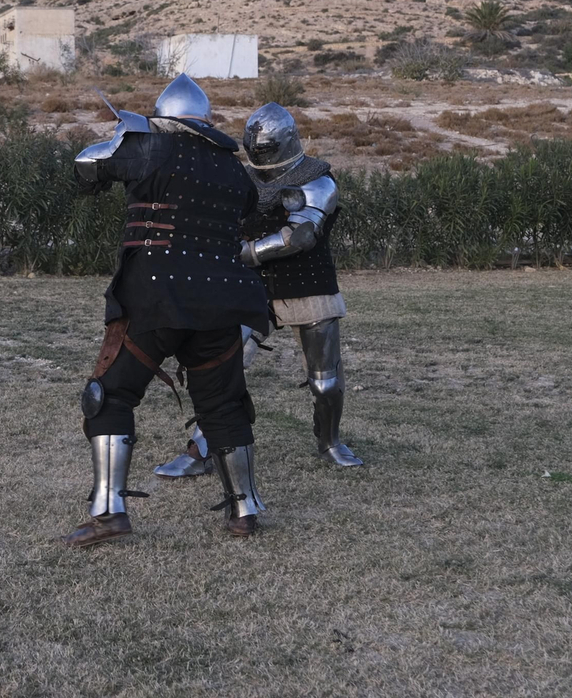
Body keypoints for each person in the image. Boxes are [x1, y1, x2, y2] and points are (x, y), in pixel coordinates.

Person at [62, 75, 272, 548]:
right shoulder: (235, 170)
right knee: (222, 404)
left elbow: (86, 167)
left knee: (108, 396)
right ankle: (244, 508)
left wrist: (123, 134)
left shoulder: (152, 147)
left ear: (165, 119)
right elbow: (250, 209)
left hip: (155, 295)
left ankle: (109, 512)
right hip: (222, 299)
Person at [154, 102, 362, 475]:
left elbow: (299, 236)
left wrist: (244, 252)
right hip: (249, 289)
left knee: (325, 383)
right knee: (218, 372)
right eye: (256, 147)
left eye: (265, 147)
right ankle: (204, 450)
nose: (260, 153)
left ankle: (329, 442)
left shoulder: (318, 180)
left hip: (308, 284)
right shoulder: (242, 178)